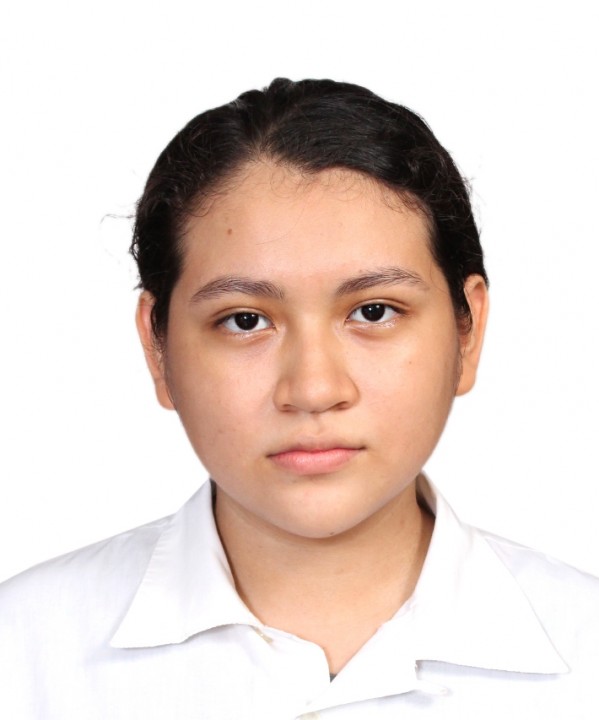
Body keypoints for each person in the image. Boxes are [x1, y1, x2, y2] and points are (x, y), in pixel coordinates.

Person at [1, 78, 597, 719]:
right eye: (245, 321)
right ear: (158, 347)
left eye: (374, 311)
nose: (314, 390)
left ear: (467, 330)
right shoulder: (24, 655)